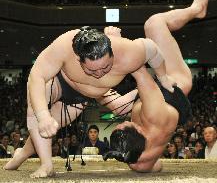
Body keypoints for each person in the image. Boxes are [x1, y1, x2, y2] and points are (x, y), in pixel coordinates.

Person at [4, 10, 174, 178]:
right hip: (60, 83)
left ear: (112, 54)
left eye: (105, 67)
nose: (100, 73)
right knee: (38, 104)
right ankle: (47, 165)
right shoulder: (64, 45)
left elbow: (153, 51)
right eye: (92, 69)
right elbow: (37, 76)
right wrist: (42, 115)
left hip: (81, 99)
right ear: (79, 59)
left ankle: (22, 154)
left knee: (49, 126)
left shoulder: (130, 52)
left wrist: (163, 77)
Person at [103, 0, 209, 172]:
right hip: (173, 83)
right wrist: (115, 41)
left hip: (150, 99)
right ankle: (197, 9)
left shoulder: (139, 161)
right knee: (154, 24)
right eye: (125, 126)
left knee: (106, 98)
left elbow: (154, 165)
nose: (123, 122)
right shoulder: (153, 115)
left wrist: (94, 91)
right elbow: (137, 68)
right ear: (140, 131)